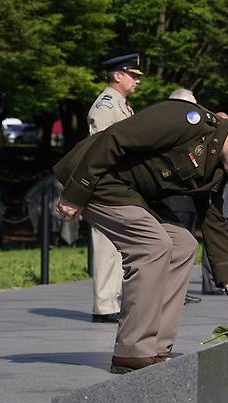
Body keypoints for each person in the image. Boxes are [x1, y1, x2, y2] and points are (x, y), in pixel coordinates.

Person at [54, 100, 228, 374]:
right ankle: (132, 351)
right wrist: (75, 191)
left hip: (133, 193)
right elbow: (115, 139)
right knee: (153, 245)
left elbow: (213, 220)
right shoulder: (185, 120)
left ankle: (157, 348)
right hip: (98, 178)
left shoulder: (217, 166)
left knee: (183, 244)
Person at [86, 54, 143, 323]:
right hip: (106, 184)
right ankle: (104, 304)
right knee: (106, 246)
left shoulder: (121, 105)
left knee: (117, 246)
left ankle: (112, 299)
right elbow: (99, 150)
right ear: (117, 76)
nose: (137, 81)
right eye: (133, 75)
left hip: (120, 183)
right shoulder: (106, 106)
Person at [201, 175, 228, 294]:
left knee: (224, 243)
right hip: (216, 204)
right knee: (212, 243)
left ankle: (221, 280)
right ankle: (210, 283)